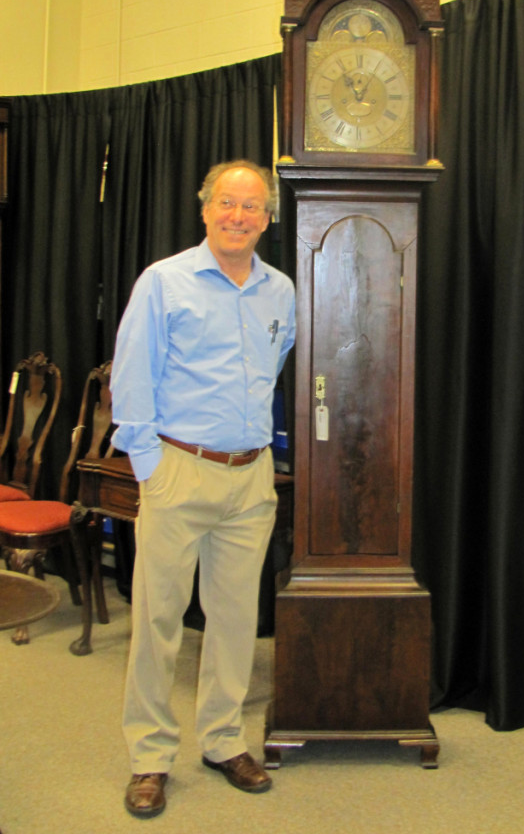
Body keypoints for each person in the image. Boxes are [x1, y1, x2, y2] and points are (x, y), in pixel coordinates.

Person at [110, 160, 295, 819]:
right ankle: (150, 757)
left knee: (235, 621)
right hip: (178, 472)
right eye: (226, 203)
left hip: (249, 481)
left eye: (251, 207)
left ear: (266, 218)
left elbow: (273, 371)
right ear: (204, 209)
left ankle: (221, 740)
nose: (238, 216)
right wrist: (150, 467)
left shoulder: (281, 292)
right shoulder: (164, 282)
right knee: (159, 621)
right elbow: (131, 381)